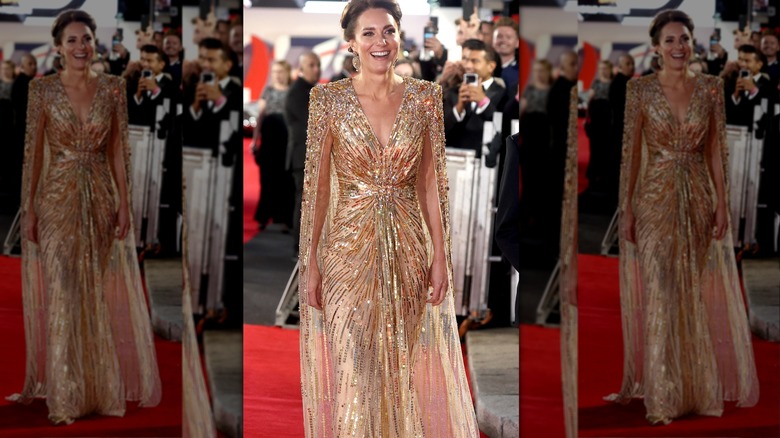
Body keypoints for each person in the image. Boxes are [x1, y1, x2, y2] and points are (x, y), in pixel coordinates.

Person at [297, 0, 479, 435]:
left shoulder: (425, 97)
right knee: (355, 362)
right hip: (346, 250)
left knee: (397, 364)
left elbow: (430, 185)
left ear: (400, 37)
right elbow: (318, 187)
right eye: (369, 33)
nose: (381, 42)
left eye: (389, 31)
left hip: (409, 247)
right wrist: (311, 260)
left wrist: (440, 256)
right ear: (351, 44)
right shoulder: (327, 100)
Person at [7, 9, 162, 425]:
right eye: (73, 40)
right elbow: (33, 154)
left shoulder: (113, 88)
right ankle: (65, 393)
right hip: (55, 197)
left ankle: (94, 386)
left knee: (91, 291)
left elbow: (117, 152)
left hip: (99, 199)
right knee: (63, 289)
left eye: (87, 39)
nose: (81, 47)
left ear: (96, 43)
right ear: (58, 47)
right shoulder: (41, 91)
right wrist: (30, 210)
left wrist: (125, 204)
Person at [607, 9, 759, 425]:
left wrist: (723, 204)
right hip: (653, 197)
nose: (679, 47)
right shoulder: (639, 91)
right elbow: (631, 155)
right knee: (660, 288)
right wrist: (628, 210)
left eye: (685, 39)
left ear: (693, 43)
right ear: (656, 47)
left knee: (689, 291)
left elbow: (715, 152)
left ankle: (693, 386)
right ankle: (662, 394)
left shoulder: (711, 88)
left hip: (697, 198)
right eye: (671, 40)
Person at [443, 38, 506, 157]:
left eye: (475, 61)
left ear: (491, 66)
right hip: (454, 161)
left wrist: (483, 102)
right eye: (465, 59)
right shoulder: (453, 92)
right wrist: (459, 107)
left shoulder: (502, 93)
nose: (468, 65)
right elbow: (441, 133)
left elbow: (504, 129)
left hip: (487, 163)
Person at [285, 51, 321, 257]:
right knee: (304, 204)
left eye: (317, 65)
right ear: (301, 68)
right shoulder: (298, 92)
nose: (316, 69)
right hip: (303, 157)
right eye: (311, 65)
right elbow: (309, 125)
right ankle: (299, 249)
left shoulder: (309, 90)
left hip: (307, 157)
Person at [253, 60, 293, 230]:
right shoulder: (267, 91)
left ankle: (284, 218)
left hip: (287, 139)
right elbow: (260, 116)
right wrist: (255, 140)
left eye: (280, 71)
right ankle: (263, 216)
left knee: (285, 178)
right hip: (269, 139)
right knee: (267, 177)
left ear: (287, 73)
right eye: (275, 71)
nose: (277, 74)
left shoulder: (292, 91)